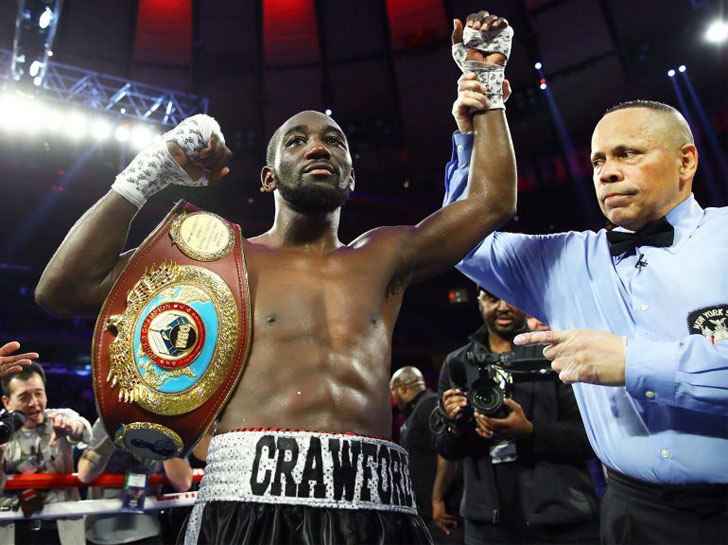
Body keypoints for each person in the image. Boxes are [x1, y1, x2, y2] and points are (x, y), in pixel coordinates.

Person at [35, 11, 517, 544]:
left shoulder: (386, 254)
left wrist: (486, 79)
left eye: (334, 141)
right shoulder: (215, 259)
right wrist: (149, 174)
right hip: (247, 507)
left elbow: (491, 201)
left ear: (350, 173)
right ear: (268, 178)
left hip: (377, 509)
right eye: (297, 141)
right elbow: (63, 289)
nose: (317, 147)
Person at [442, 83, 728, 542]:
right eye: (598, 161)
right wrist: (480, 129)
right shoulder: (568, 258)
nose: (607, 173)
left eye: (627, 154)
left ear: (686, 161)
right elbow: (461, 240)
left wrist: (633, 363)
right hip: (629, 514)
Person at [436, 287, 599, 544]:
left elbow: (589, 439)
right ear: (478, 302)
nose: (502, 306)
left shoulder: (554, 354)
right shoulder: (457, 363)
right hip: (488, 527)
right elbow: (447, 449)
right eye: (491, 297)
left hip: (560, 521)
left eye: (509, 297)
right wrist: (455, 426)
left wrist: (530, 432)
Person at [0, 362, 92, 545]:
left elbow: (85, 431)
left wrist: (71, 429)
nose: (34, 403)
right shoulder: (2, 430)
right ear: (7, 402)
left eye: (38, 393)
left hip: (59, 526)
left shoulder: (59, 418)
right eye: (24, 396)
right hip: (14, 526)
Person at [77, 418, 193, 545]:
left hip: (147, 531)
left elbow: (184, 483)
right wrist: (112, 434)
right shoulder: (106, 419)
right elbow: (84, 475)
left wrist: (162, 432)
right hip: (98, 531)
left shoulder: (167, 424)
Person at [390, 366, 463, 544]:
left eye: (392, 392)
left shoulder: (428, 405)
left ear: (402, 388)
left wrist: (437, 499)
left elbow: (447, 451)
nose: (393, 399)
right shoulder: (417, 410)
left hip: (441, 515)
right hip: (427, 514)